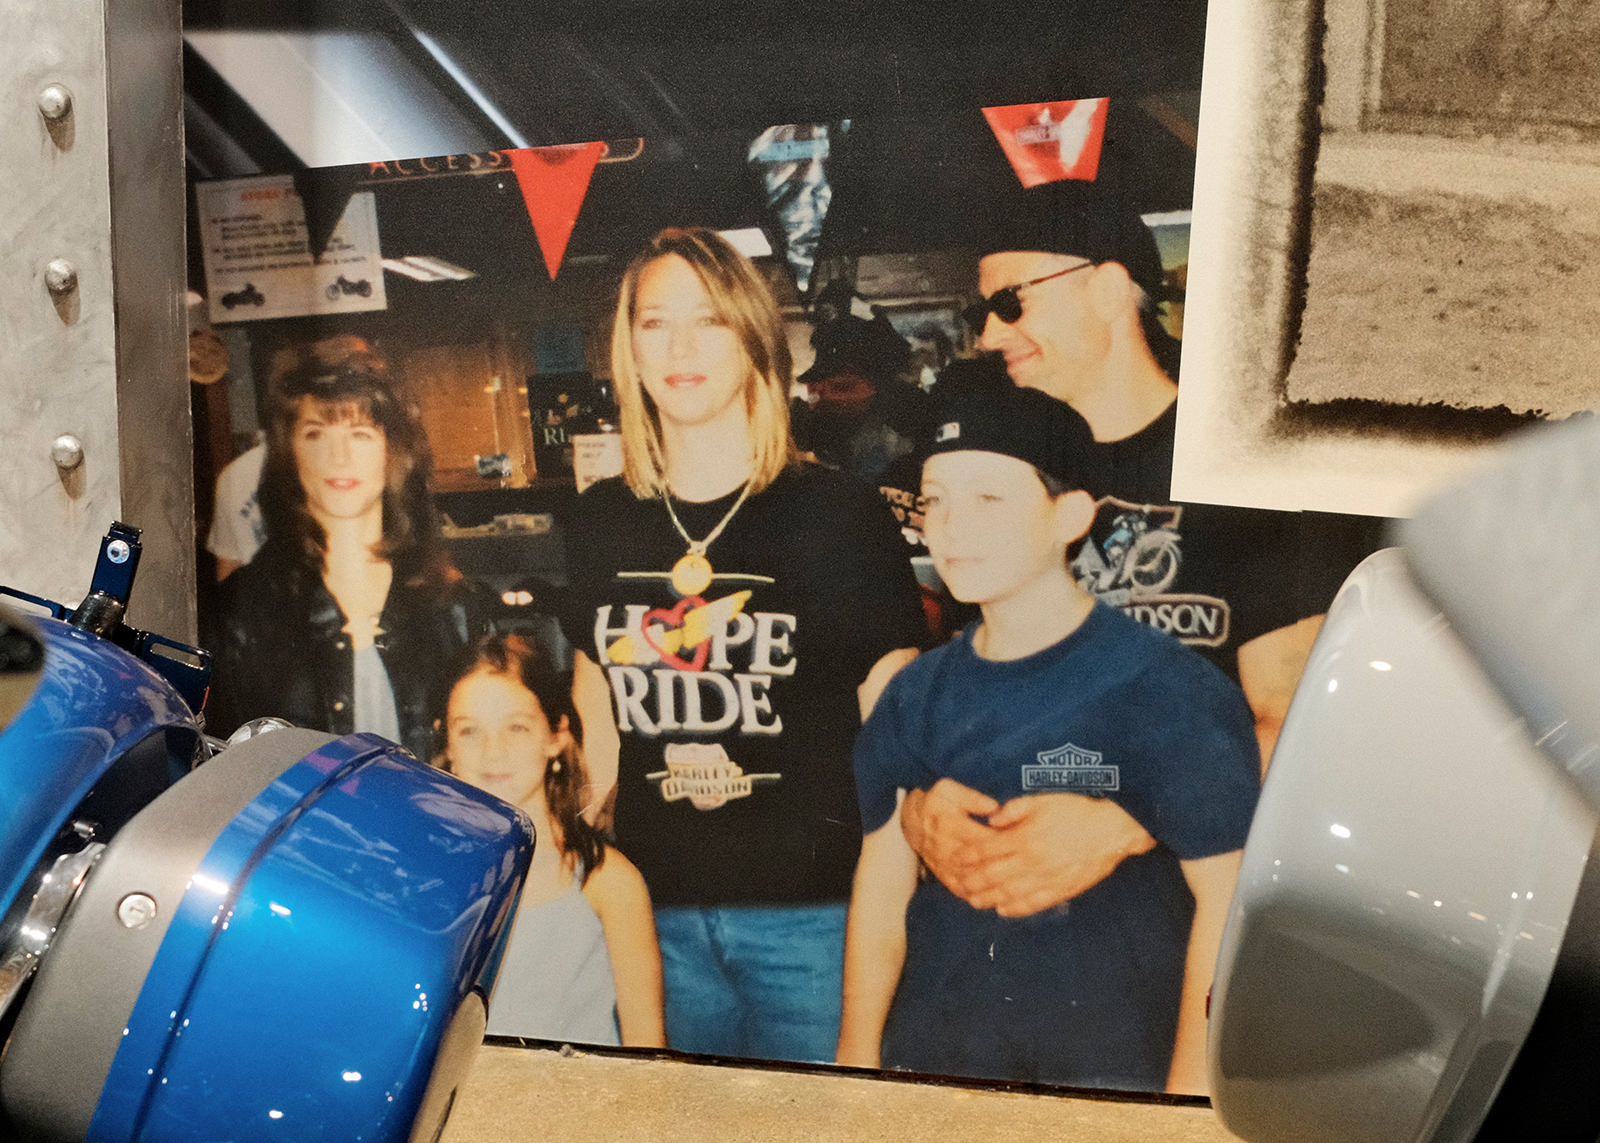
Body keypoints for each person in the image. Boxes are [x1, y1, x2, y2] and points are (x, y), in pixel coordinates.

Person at [900, 180, 1378, 920]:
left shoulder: (1250, 471)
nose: (989, 335)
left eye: (1010, 303)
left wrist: (1126, 820)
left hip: (1201, 909)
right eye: (979, 314)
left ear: (1108, 288)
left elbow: (1293, 718)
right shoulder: (1005, 472)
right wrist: (921, 808)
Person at [560, 227, 926, 1064]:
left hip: (816, 923)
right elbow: (599, 730)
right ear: (629, 347)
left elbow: (900, 758)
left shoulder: (840, 516)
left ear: (755, 339)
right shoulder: (597, 520)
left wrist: (870, 1005)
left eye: (709, 320)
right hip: (650, 919)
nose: (681, 347)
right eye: (655, 322)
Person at [838, 382, 1259, 1093]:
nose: (952, 526)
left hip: (1113, 1070)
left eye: (989, 500)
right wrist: (855, 1059)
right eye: (935, 499)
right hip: (943, 1062)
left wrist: (1188, 1098)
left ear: (1069, 515)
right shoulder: (917, 691)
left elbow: (1227, 907)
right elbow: (881, 882)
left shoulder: (1167, 687)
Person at [205, 348, 500, 763]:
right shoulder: (240, 613)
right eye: (316, 434)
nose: (338, 456)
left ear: (392, 451)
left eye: (360, 433)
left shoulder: (456, 608)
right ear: (291, 453)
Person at [437, 633, 665, 1047]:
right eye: (470, 731)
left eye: (517, 728)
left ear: (556, 735)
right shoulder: (429, 877)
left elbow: (648, 1050)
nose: (493, 752)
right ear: (447, 742)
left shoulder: (607, 882)